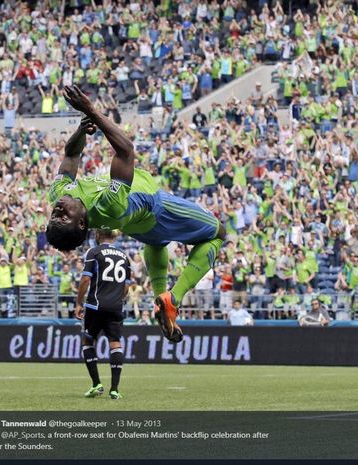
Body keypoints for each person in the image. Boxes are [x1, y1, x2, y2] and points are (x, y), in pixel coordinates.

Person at [48, 86, 226, 344]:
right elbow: (126, 151)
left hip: (138, 227)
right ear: (83, 222)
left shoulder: (59, 194)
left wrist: (80, 131)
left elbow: (71, 154)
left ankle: (160, 298)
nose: (58, 211)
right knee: (217, 233)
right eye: (63, 218)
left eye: (54, 216)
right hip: (158, 209)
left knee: (157, 242)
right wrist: (92, 111)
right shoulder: (107, 206)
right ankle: (173, 298)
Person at [75, 229, 131, 400]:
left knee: (88, 340)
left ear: (97, 236)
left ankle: (96, 384)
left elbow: (86, 280)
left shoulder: (94, 252)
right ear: (114, 236)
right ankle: (114, 389)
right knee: (115, 343)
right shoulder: (124, 256)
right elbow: (126, 287)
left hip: (95, 305)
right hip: (115, 307)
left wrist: (78, 302)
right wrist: (116, 300)